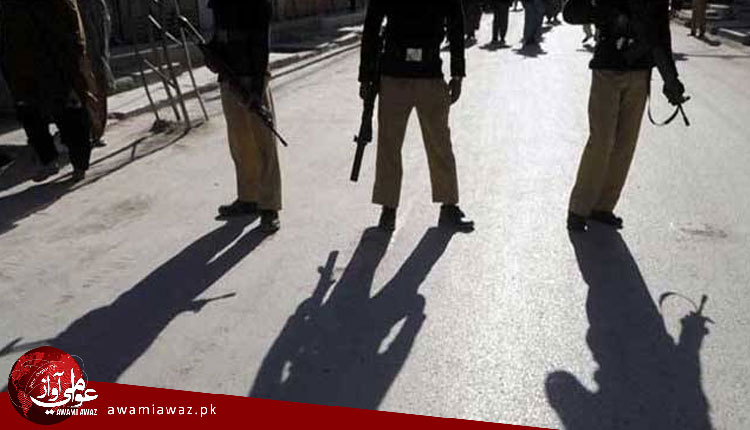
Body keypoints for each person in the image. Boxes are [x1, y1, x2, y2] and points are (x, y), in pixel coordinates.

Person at [567, 0, 688, 232]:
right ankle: (578, 209)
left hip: (640, 72)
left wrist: (671, 79)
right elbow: (572, 13)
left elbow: (661, 35)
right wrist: (610, 16)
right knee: (602, 141)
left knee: (625, 144)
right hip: (607, 69)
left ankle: (602, 207)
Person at [359, 0, 475, 233]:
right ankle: (388, 209)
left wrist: (457, 72)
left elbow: (455, 22)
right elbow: (372, 25)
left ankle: (448, 205)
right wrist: (365, 75)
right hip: (394, 73)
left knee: (440, 143)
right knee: (390, 145)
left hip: (428, 72)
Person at [0, 0, 99, 182]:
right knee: (30, 113)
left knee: (68, 111)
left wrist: (74, 58)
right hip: (21, 60)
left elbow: (70, 24)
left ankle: (79, 165)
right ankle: (48, 160)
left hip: (55, 58)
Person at [208, 0, 282, 233]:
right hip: (229, 77)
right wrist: (211, 53)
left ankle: (269, 207)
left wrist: (257, 88)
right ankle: (248, 197)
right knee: (240, 143)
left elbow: (262, 42)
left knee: (264, 144)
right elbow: (219, 33)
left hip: (253, 76)